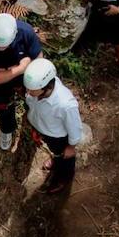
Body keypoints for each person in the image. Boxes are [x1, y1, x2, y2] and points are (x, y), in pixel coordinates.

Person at [0, 13, 43, 151]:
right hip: (4, 84)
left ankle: (35, 124)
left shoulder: (26, 33)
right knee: (2, 107)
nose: (1, 49)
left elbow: (38, 62)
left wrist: (3, 71)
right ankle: (7, 129)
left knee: (33, 101)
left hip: (26, 78)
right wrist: (20, 68)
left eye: (5, 45)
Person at [23, 58, 83, 194]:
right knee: (56, 153)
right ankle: (55, 160)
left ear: (47, 87)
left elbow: (75, 127)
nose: (28, 91)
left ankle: (63, 179)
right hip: (44, 129)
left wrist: (71, 147)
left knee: (65, 158)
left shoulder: (65, 104)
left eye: (32, 89)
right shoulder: (36, 89)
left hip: (58, 137)